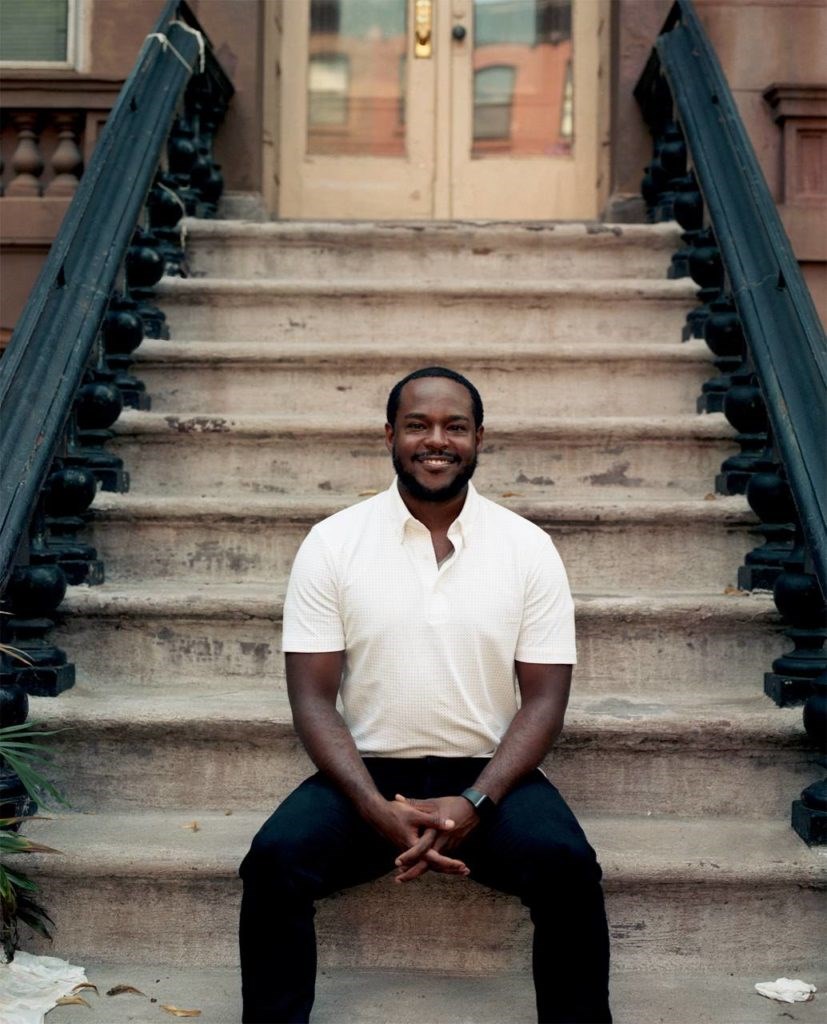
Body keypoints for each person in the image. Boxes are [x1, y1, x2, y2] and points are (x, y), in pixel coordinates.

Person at [239, 366, 612, 1024]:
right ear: (389, 435)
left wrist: (474, 801)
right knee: (272, 862)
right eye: (417, 425)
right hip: (368, 775)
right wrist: (373, 807)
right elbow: (313, 701)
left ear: (477, 439)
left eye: (453, 427)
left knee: (568, 867)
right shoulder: (333, 543)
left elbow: (544, 701)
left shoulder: (527, 548)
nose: (435, 440)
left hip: (491, 779)